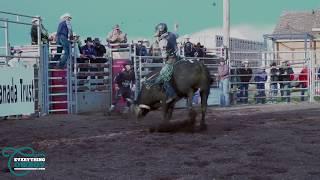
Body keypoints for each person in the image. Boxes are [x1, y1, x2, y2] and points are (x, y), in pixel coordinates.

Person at [148, 23, 178, 104]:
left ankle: (172, 95)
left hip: (170, 60)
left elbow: (164, 55)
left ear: (160, 31)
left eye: (158, 31)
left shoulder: (163, 41)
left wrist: (164, 62)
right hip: (177, 58)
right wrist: (175, 28)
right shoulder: (172, 34)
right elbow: (176, 34)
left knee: (164, 77)